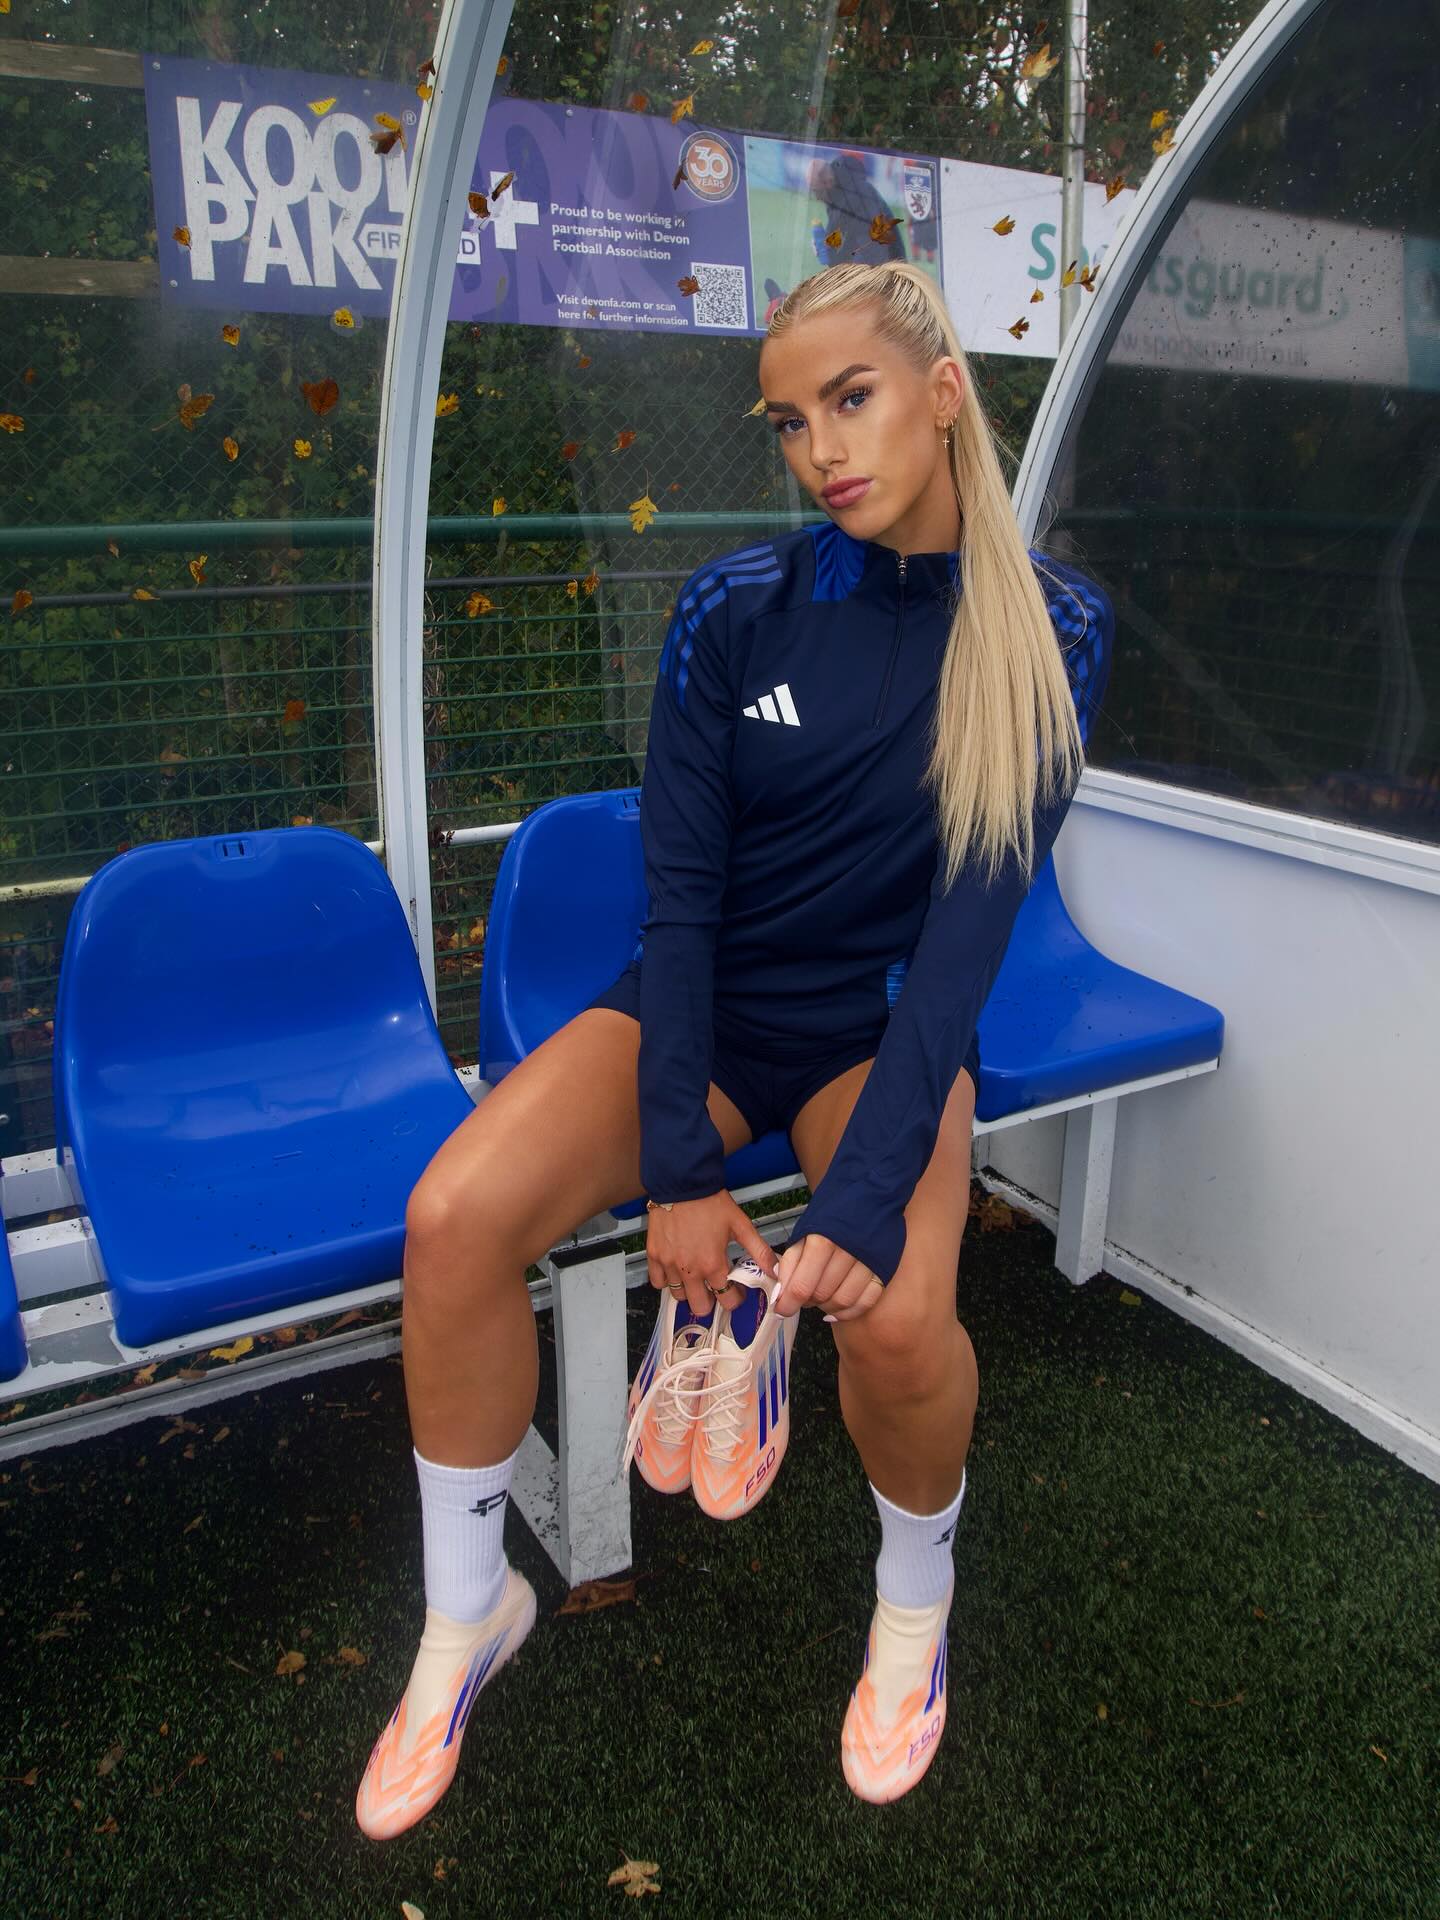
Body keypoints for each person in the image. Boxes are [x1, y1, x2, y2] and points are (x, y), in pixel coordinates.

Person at [355, 260, 1114, 1838]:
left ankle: (913, 1604)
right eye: (788, 420)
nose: (820, 448)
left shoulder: (1052, 629)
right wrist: (682, 1171)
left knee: (898, 1317)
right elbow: (681, 903)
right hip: (698, 1010)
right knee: (449, 1220)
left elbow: (964, 948)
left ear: (943, 394)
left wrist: (861, 1201)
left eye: (852, 399)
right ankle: (468, 1609)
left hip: (880, 1030)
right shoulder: (735, 608)